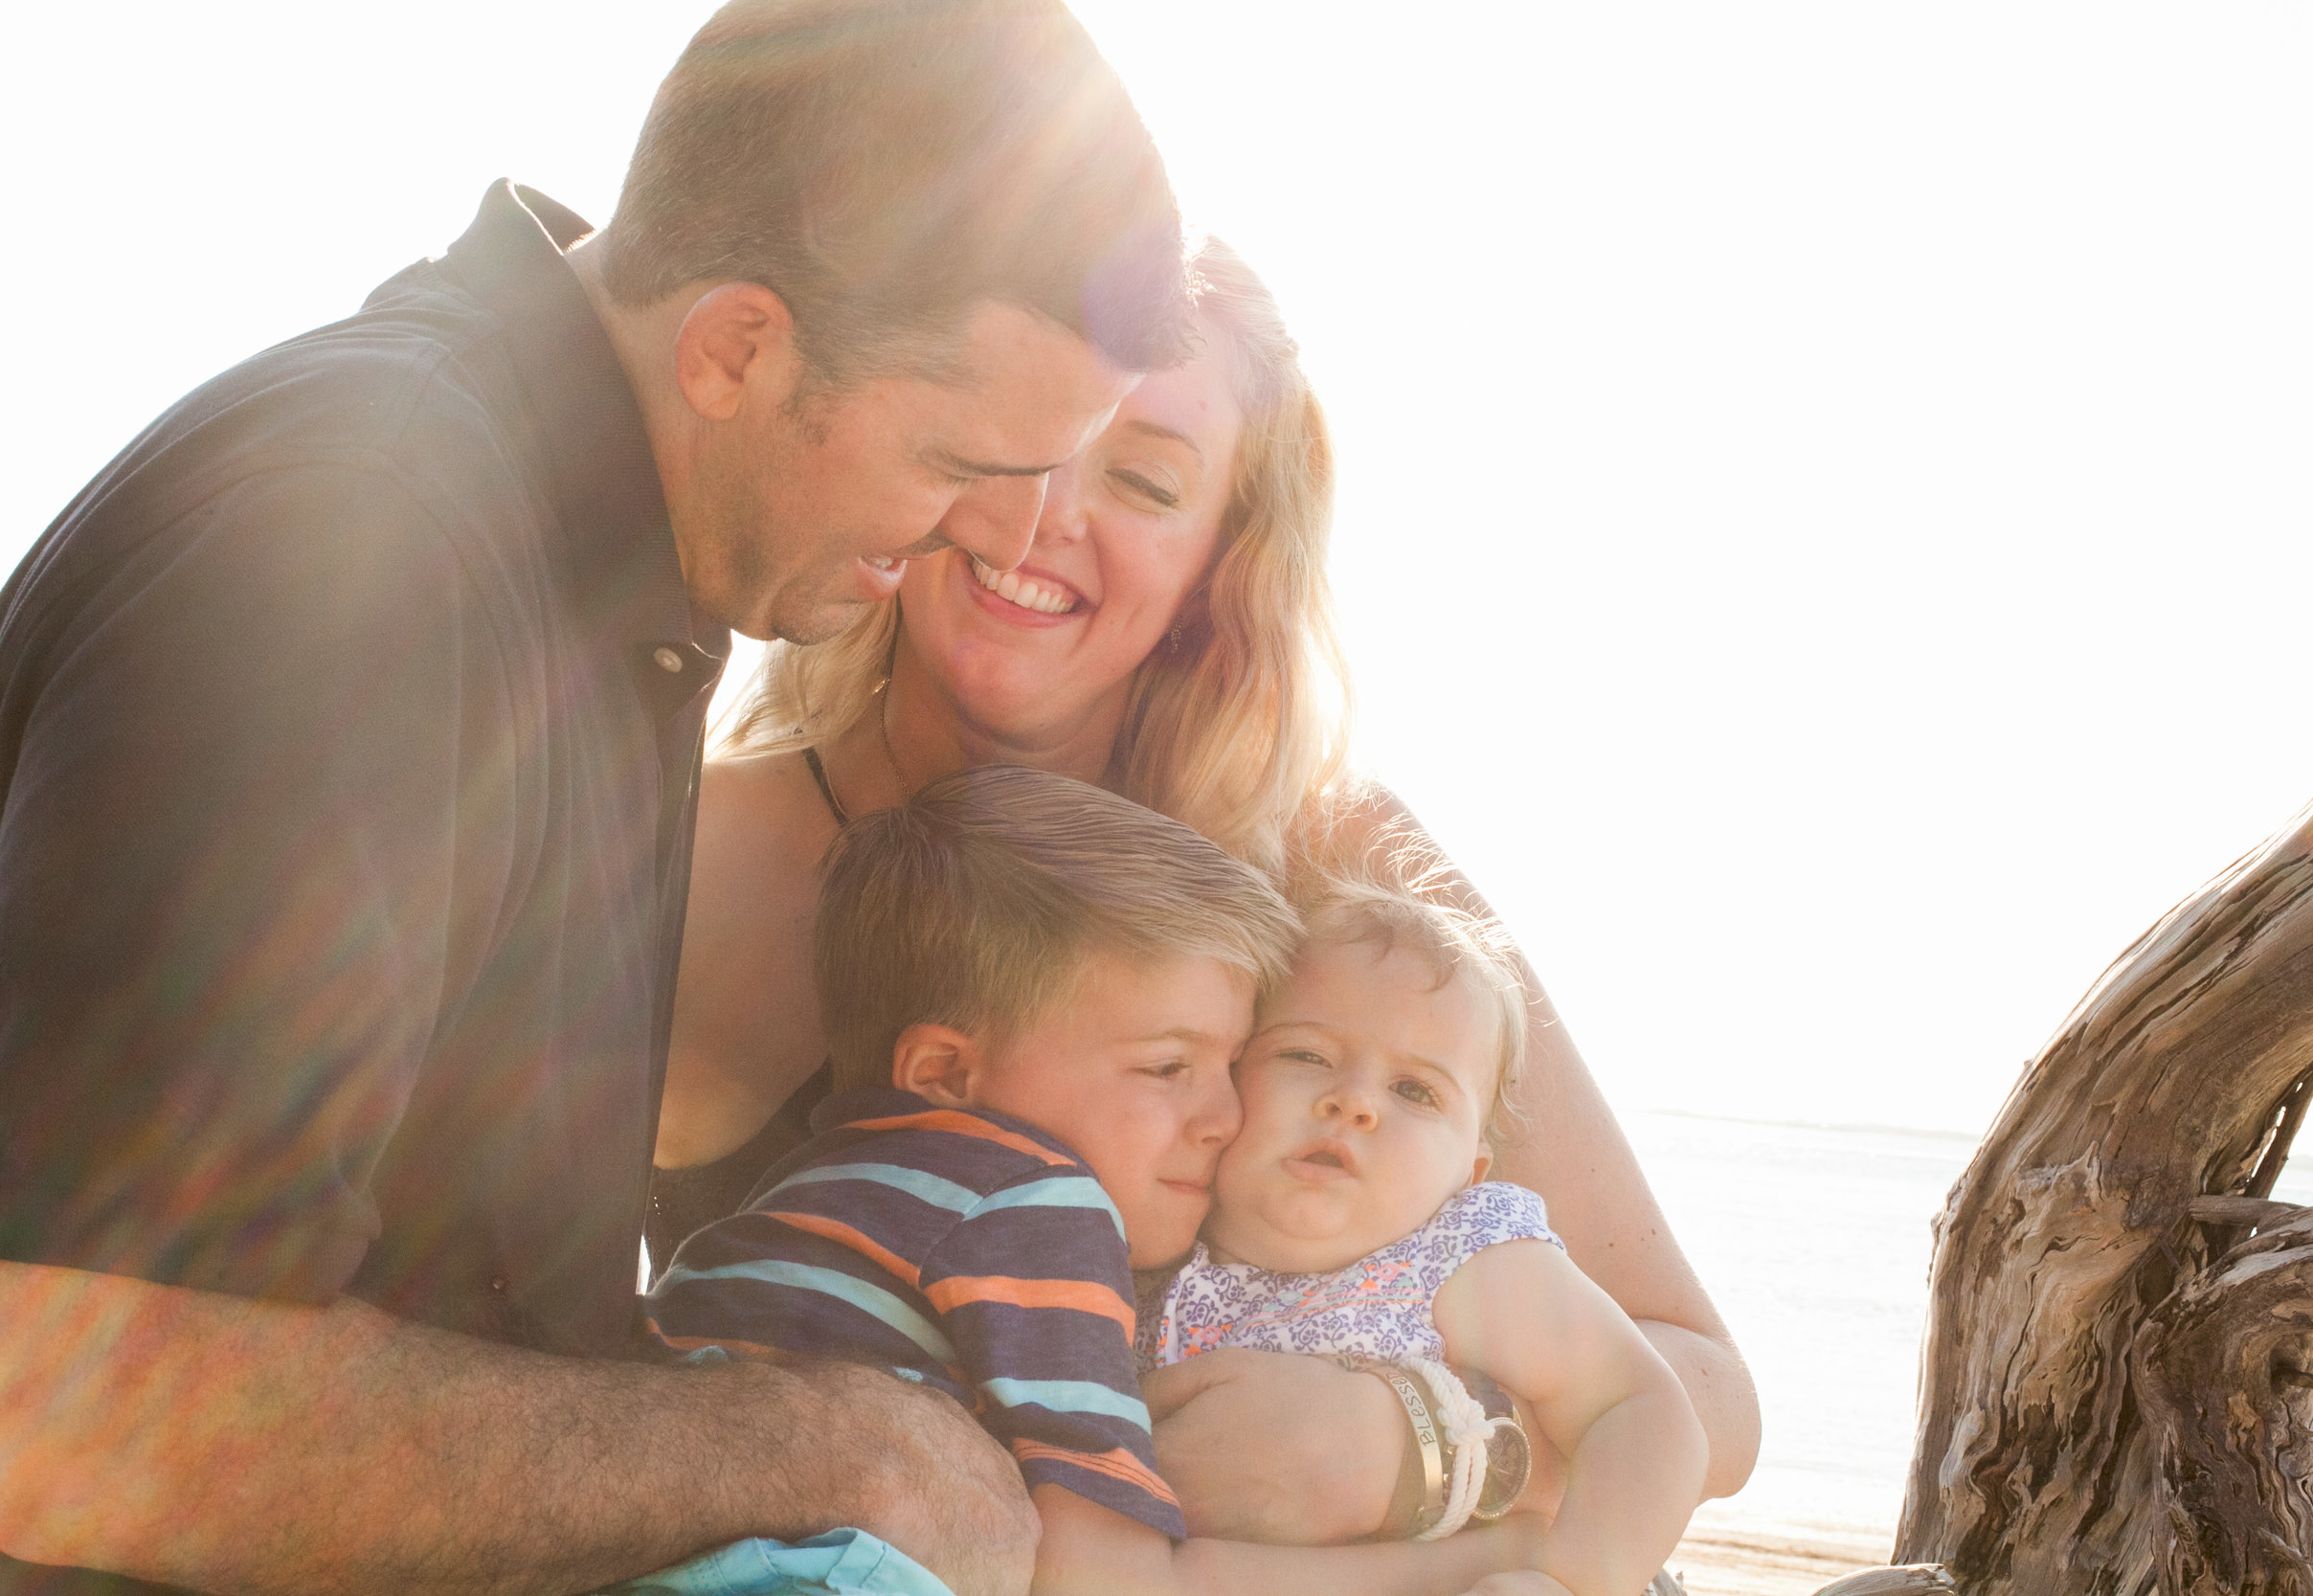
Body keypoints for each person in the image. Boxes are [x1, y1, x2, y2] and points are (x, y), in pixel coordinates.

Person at [0, 4, 1190, 1593]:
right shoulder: (361, 553)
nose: (993, 541)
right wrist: (822, 1447)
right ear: (737, 346)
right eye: (959, 461)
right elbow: (81, 1426)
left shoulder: (605, 568)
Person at [657, 240, 1762, 1540]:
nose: (1042, 515)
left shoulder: (1338, 865)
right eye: (1020, 436)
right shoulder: (693, 849)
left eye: (1140, 477)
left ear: (1219, 566)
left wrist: (1427, 1438)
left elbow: (1704, 1393)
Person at [644, 767, 1538, 1596]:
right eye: (1166, 1068)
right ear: (949, 1075)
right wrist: (1482, 1559)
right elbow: (1110, 1577)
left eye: (1233, 1063)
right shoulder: (1037, 1209)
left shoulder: (804, 1194)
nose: (1225, 1117)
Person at [1141, 878, 1706, 1594]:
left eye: (1415, 1090)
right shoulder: (1147, 1249)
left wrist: (1574, 1578)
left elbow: (1642, 1409)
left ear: (1466, 1172)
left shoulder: (1457, 1258)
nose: (1352, 1102)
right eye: (1306, 1055)